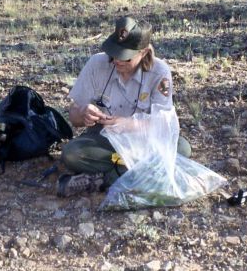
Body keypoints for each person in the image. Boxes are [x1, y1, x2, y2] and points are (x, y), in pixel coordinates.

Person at [57, 16, 191, 197]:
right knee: (71, 154)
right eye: (114, 53)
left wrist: (129, 124)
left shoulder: (159, 72)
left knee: (182, 149)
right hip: (105, 139)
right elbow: (73, 116)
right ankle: (142, 175)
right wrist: (83, 113)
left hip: (144, 141)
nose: (117, 61)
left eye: (125, 57)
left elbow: (164, 125)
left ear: (143, 53)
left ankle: (101, 181)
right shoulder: (96, 64)